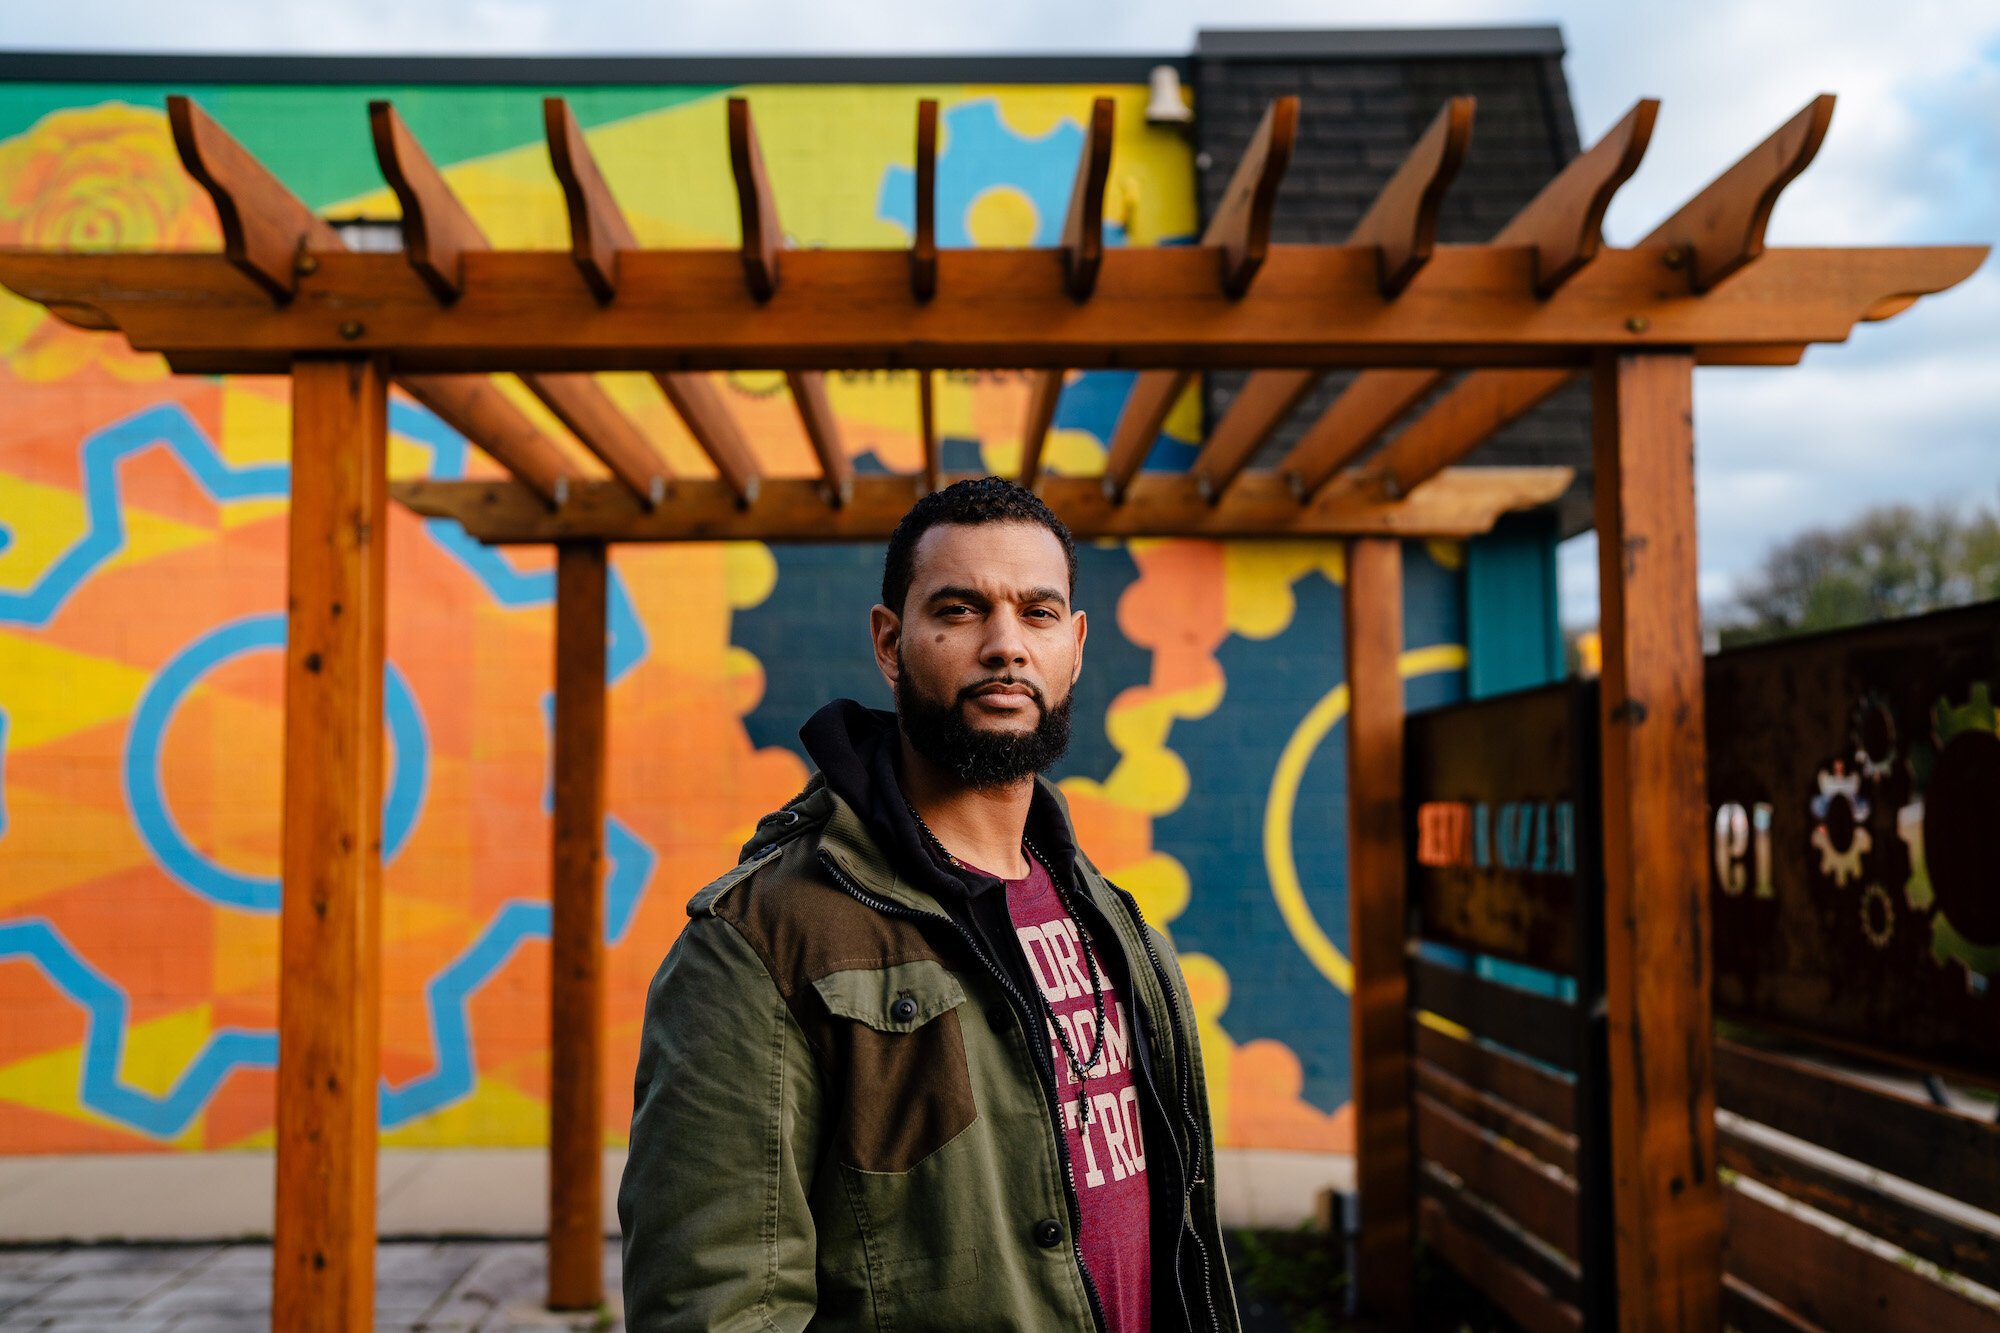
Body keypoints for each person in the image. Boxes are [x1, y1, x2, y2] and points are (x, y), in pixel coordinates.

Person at [618, 477, 1240, 1333]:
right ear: (890, 642)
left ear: (1076, 646)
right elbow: (715, 1307)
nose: (1005, 645)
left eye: (1038, 612)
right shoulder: (759, 942)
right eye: (959, 609)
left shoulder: (1115, 923)